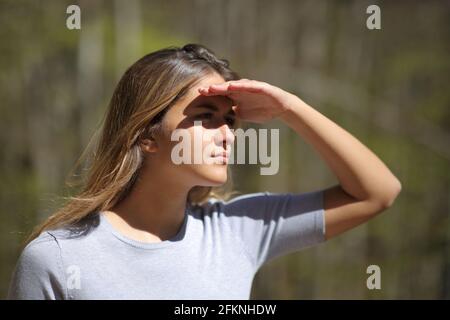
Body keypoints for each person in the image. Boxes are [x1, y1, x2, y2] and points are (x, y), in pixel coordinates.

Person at [7, 43, 401, 300]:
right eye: (205, 117)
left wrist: (290, 109)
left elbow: (377, 192)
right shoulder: (56, 259)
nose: (227, 134)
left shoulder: (237, 229)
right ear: (147, 136)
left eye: (230, 121)